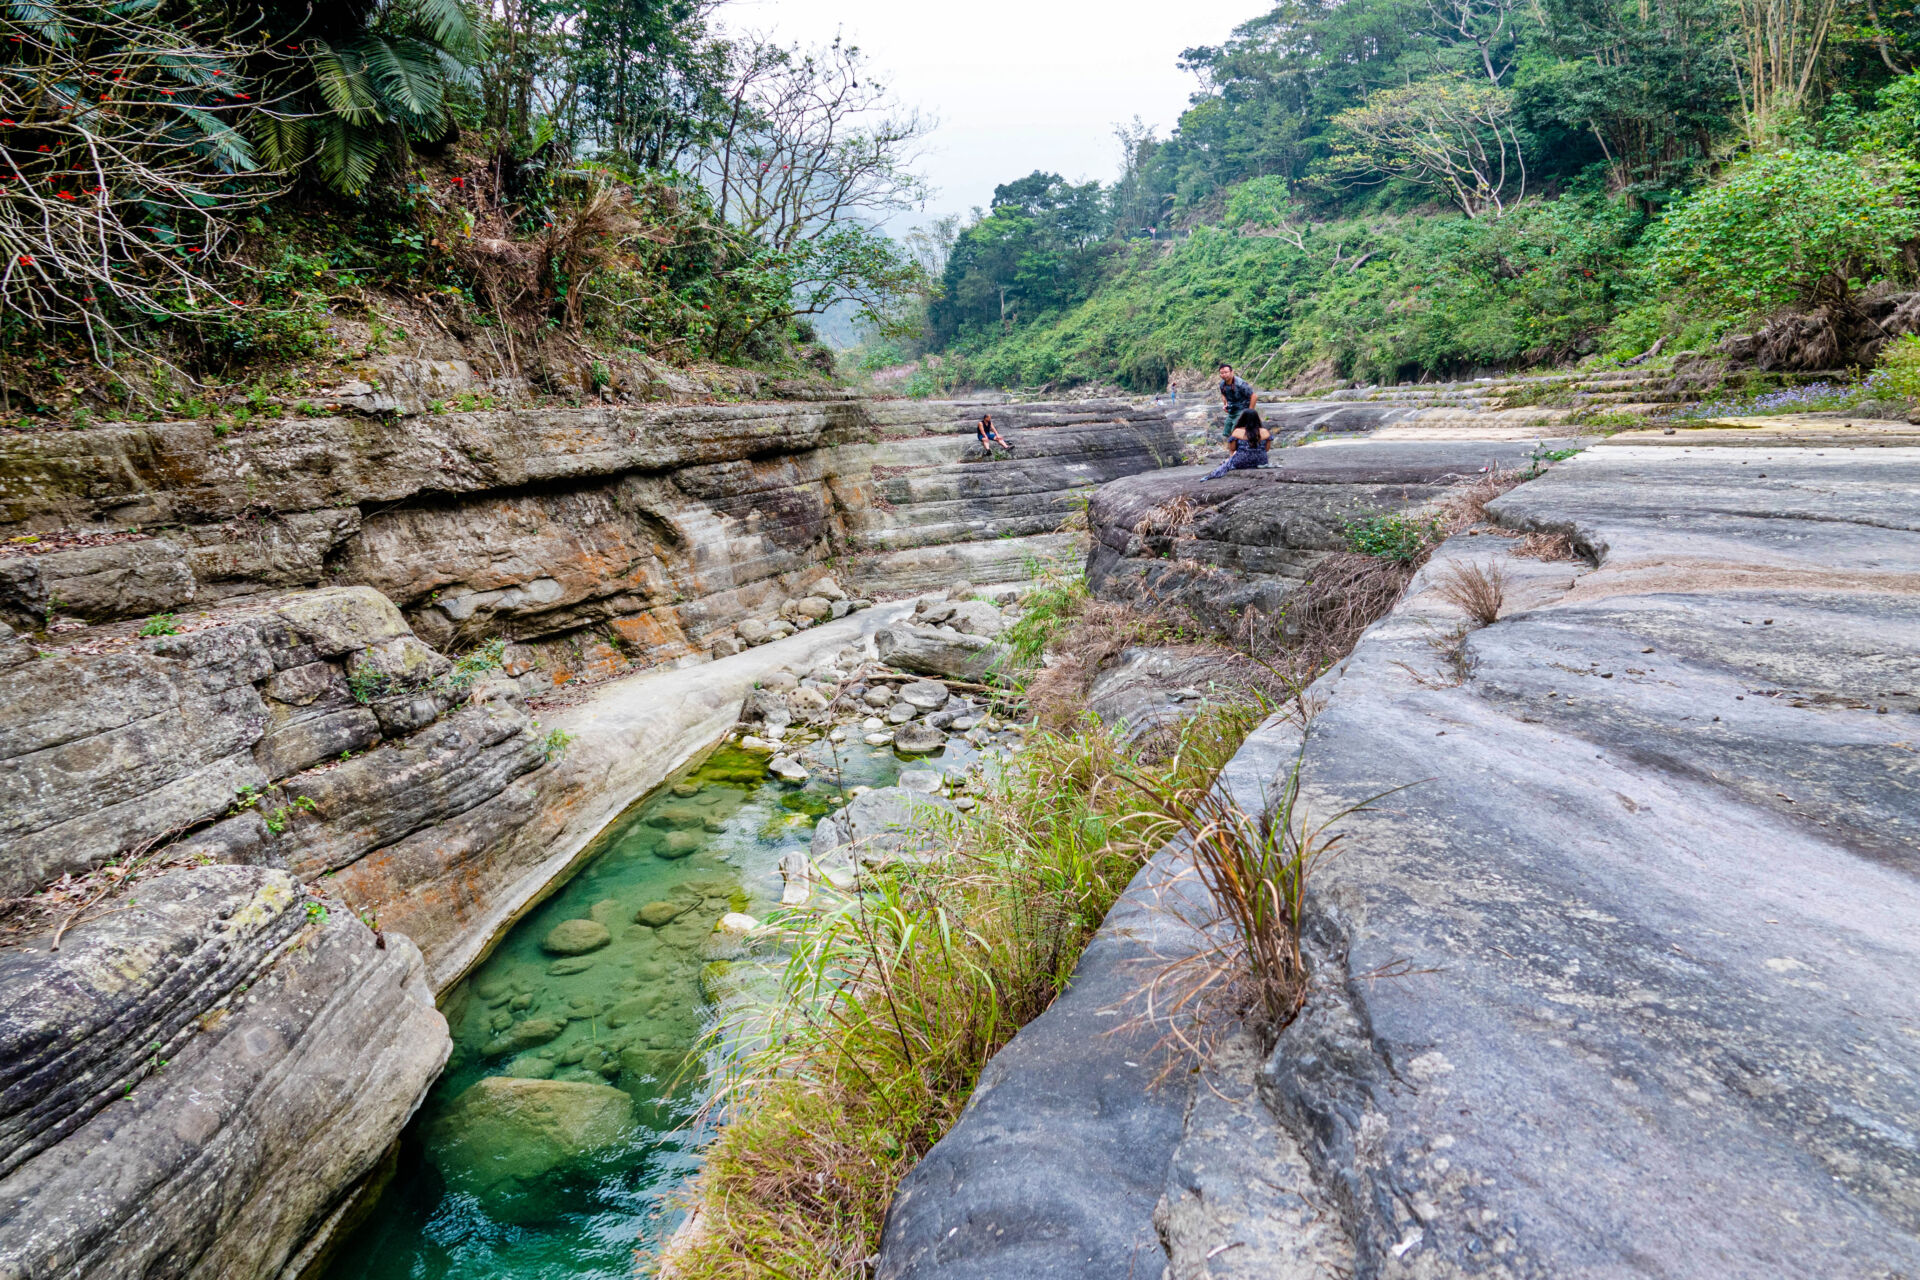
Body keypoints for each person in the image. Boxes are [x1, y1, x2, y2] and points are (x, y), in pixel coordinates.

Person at [1203, 409, 1271, 480]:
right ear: (1257, 419)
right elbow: (1267, 449)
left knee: (1226, 463)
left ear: (1242, 419)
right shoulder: (1265, 432)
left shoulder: (1237, 432)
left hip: (1241, 461)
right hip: (1261, 461)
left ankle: (1209, 477)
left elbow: (1232, 448)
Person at [1217, 363, 1255, 437]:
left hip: (1242, 410)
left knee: (1236, 432)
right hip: (1232, 410)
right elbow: (1223, 394)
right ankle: (1230, 447)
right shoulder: (1222, 384)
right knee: (1226, 433)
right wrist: (1225, 404)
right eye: (1222, 373)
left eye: (1226, 372)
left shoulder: (1240, 384)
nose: (1224, 375)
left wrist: (1250, 412)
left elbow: (1254, 396)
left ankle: (1238, 447)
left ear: (1232, 372)